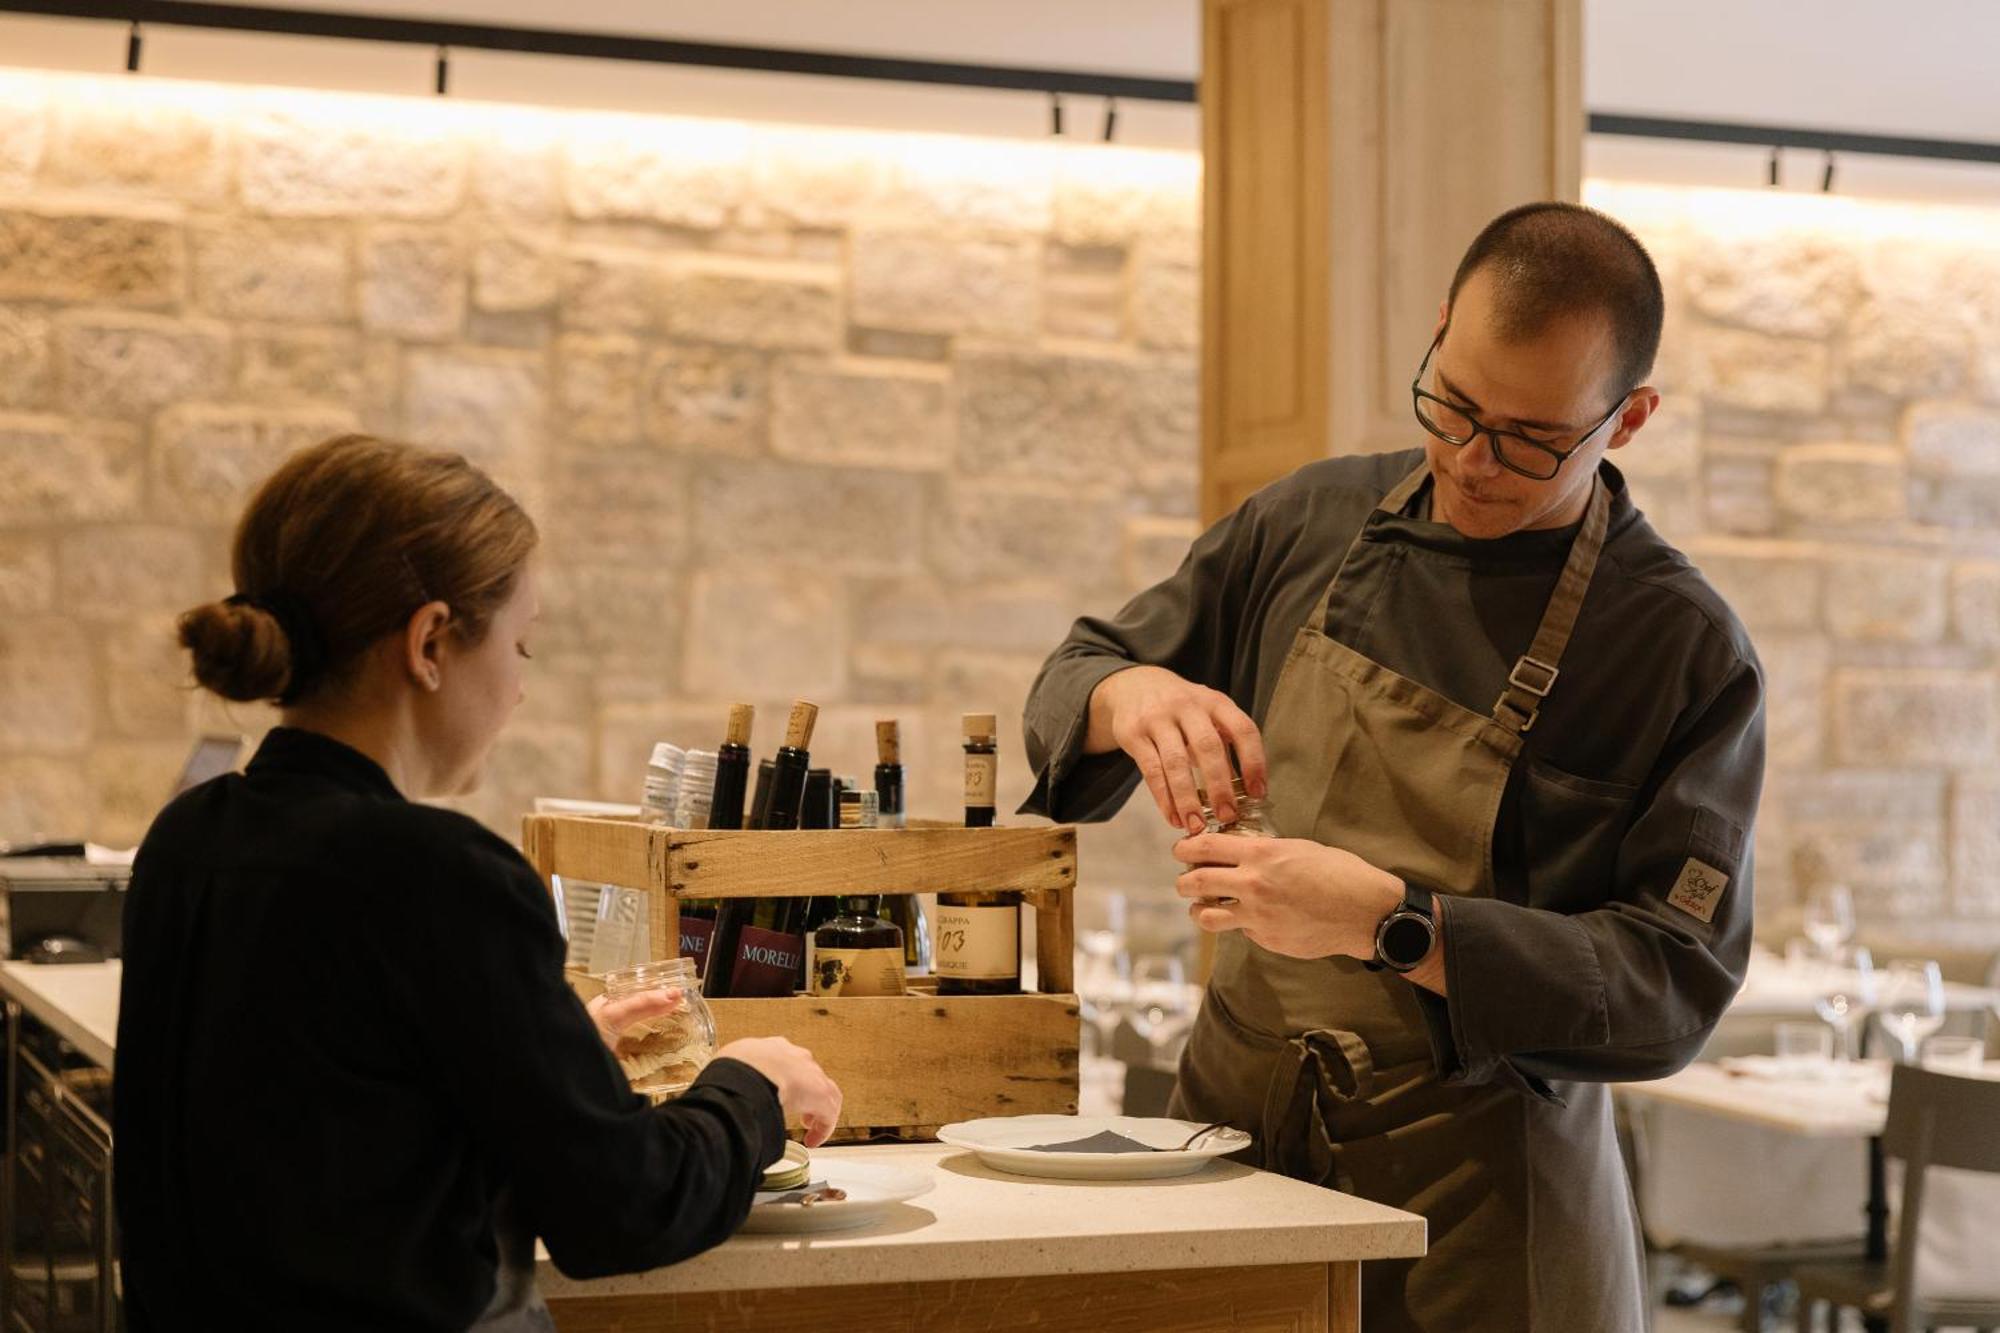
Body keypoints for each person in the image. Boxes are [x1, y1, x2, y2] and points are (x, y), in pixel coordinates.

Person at [1022, 202, 1762, 1330]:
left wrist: (1395, 922)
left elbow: (1670, 985)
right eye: (1452, 404)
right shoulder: (1309, 520)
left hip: (1475, 1206)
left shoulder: (1675, 647)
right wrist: (1125, 695)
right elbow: (1078, 669)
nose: (1471, 459)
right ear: (1435, 332)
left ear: (1627, 420)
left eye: (1528, 438)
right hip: (1232, 1150)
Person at [115, 434, 842, 1331]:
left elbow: (326, 1115)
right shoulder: (436, 870)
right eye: (522, 647)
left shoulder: (190, 832)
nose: (519, 690)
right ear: (429, 642)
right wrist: (749, 1086)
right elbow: (621, 1208)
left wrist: (546, 1046)